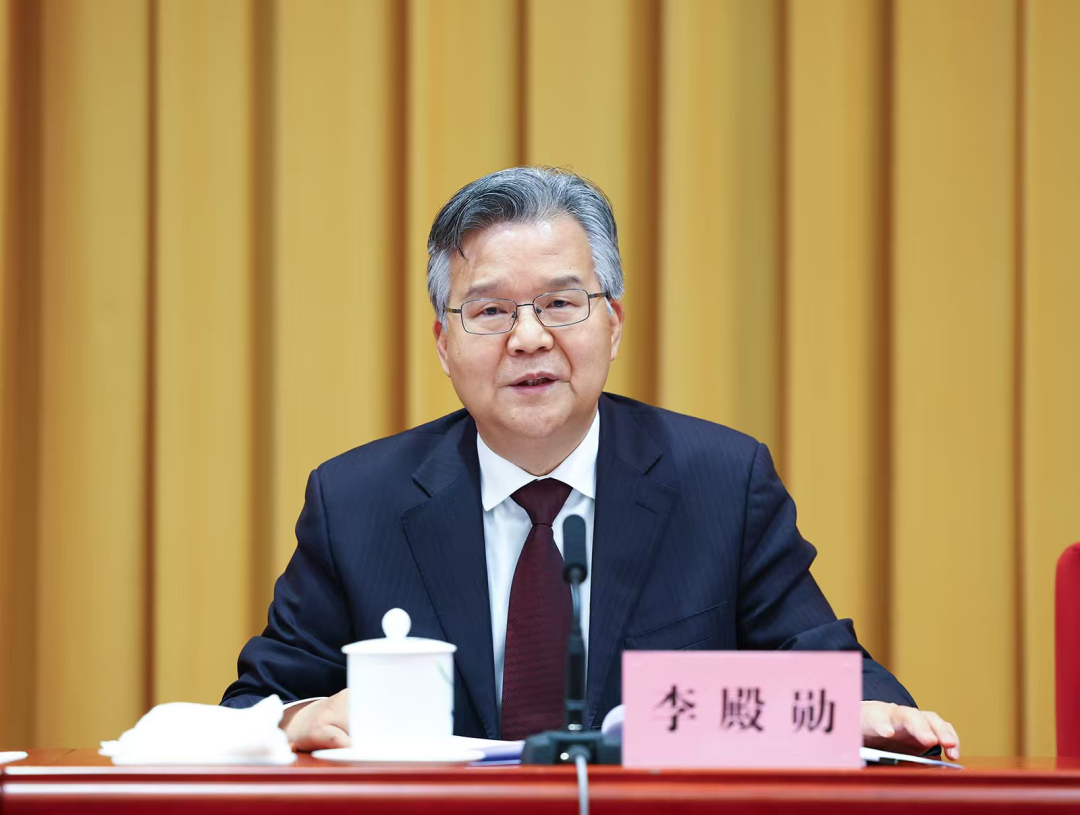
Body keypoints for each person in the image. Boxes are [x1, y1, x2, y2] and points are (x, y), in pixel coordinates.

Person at [221, 166, 960, 760]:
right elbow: (256, 706)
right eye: (490, 311)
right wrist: (298, 718)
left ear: (613, 324)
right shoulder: (358, 501)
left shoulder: (721, 482)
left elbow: (821, 667)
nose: (529, 337)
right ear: (444, 344)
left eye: (561, 303)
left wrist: (867, 711)